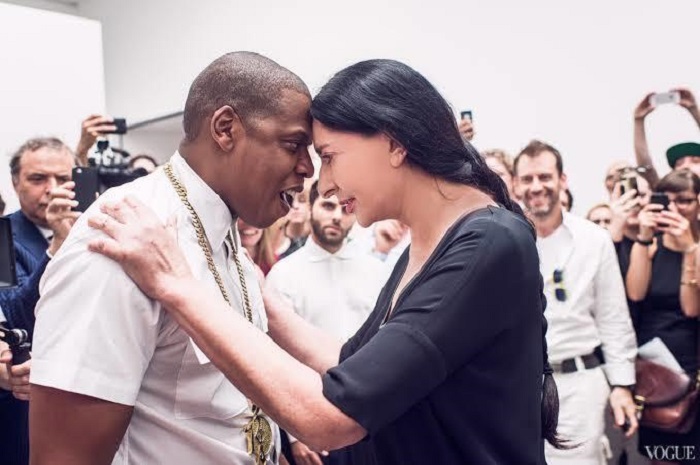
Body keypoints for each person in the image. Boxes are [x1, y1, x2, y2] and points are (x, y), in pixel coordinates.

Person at [86, 59, 561, 465]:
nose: (324, 183)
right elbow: (353, 364)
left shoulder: (486, 245)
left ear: (395, 143)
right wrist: (261, 299)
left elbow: (334, 415)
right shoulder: (431, 243)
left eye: (330, 157)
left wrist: (178, 285)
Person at [28, 52, 314, 465]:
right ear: (226, 129)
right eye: (293, 145)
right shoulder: (121, 233)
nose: (307, 168)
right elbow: (64, 456)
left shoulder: (227, 235)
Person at [514, 139, 638, 465]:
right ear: (515, 185)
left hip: (580, 386)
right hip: (518, 387)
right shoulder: (503, 239)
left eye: (544, 177)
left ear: (562, 180)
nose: (536, 186)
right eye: (527, 179)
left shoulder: (594, 239)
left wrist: (622, 385)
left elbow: (613, 317)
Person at [266, 180, 386, 465]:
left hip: (368, 420)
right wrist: (294, 435)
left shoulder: (378, 272)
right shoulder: (283, 275)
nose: (336, 216)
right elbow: (275, 359)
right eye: (328, 206)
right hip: (309, 420)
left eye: (345, 210)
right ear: (310, 208)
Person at [626, 169, 700, 463]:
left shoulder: (697, 248)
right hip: (655, 371)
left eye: (684, 200)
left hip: (691, 366)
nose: (675, 209)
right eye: (666, 201)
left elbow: (692, 308)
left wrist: (690, 249)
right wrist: (644, 238)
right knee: (662, 456)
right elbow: (635, 294)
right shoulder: (649, 246)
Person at [633, 88, 700, 186]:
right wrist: (639, 119)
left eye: (696, 161)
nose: (686, 166)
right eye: (679, 164)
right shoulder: (669, 193)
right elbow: (647, 170)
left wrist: (694, 110)